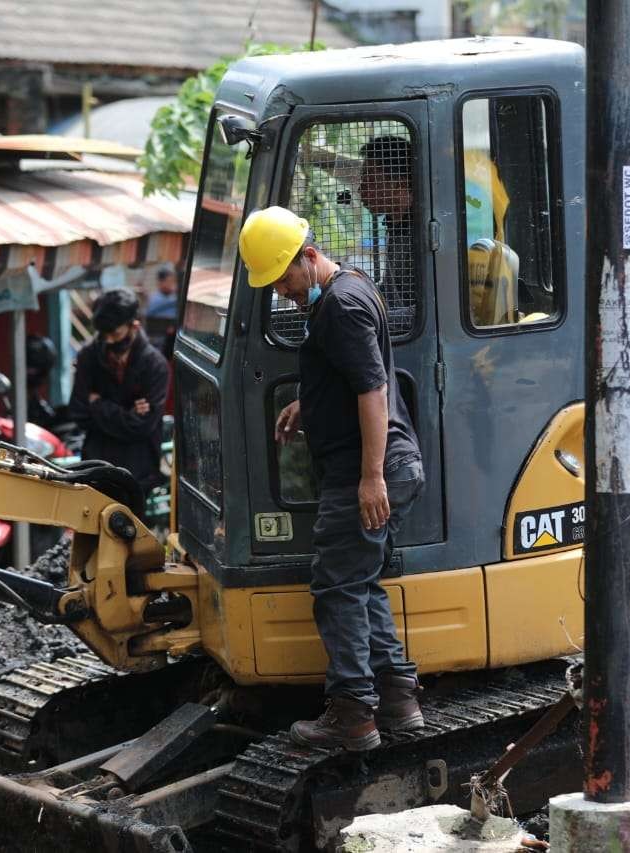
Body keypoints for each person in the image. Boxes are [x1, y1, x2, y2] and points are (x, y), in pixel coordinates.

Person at [240, 205, 425, 751]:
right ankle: (396, 698)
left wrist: (371, 478)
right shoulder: (351, 289)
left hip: (364, 468)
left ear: (310, 257)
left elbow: (373, 390)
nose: (282, 293)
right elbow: (349, 376)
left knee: (335, 587)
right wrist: (309, 401)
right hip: (378, 463)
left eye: (285, 280)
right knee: (360, 581)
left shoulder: (340, 306)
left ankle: (352, 713)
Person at [67, 288, 169, 507]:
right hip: (96, 467)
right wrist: (126, 413)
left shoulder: (155, 365)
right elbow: (78, 411)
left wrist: (97, 404)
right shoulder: (88, 356)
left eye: (116, 334)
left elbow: (142, 426)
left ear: (134, 325)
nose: (109, 341)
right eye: (104, 335)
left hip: (138, 471)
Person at [357, 135, 415, 309]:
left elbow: (425, 313)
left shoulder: (420, 237)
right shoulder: (394, 226)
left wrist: (375, 319)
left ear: (400, 185)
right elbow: (392, 294)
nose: (361, 189)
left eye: (370, 180)